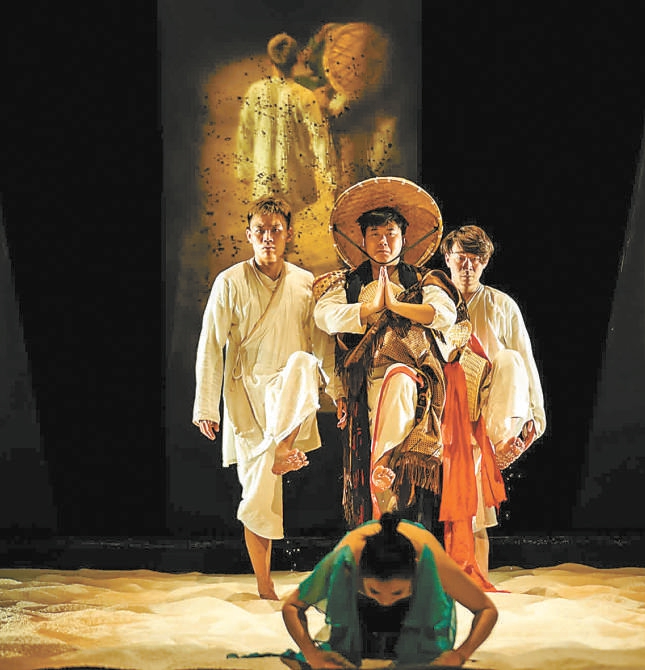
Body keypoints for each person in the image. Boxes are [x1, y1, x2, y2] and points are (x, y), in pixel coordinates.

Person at [193, 196, 331, 600]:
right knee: (258, 494)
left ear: (288, 235)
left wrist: (338, 396)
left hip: (289, 394)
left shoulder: (304, 282)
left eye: (276, 230)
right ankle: (265, 585)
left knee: (304, 362)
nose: (268, 237)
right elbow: (210, 343)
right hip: (246, 395)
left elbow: (321, 345)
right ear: (249, 235)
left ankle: (283, 448)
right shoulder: (230, 281)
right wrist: (206, 405)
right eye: (261, 231)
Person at [313, 177, 465, 533]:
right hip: (366, 381)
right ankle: (382, 510)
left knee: (398, 381)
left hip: (416, 378)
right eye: (375, 234)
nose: (383, 241)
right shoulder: (348, 283)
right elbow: (325, 317)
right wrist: (368, 309)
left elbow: (443, 314)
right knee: (381, 412)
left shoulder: (424, 279)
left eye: (391, 234)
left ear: (404, 238)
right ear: (363, 239)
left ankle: (384, 465)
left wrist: (396, 305)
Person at [441, 224, 547, 577]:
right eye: (461, 257)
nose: (468, 265)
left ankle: (500, 445)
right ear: (447, 258)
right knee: (466, 498)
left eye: (476, 258)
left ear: (485, 262)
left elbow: (525, 361)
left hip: (490, 408)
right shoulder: (434, 302)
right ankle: (465, 578)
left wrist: (535, 416)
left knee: (511, 359)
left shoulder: (502, 305)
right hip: (447, 404)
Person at [281, 512, 498, 668]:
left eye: (396, 593)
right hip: (362, 606)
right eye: (375, 591)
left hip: (413, 609)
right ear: (359, 573)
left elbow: (486, 610)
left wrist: (460, 655)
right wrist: (312, 655)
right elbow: (292, 606)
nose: (385, 601)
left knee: (421, 660)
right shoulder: (344, 559)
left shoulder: (430, 560)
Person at [235, 32, 337, 212]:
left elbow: (245, 132)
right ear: (297, 60)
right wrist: (330, 173)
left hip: (264, 172)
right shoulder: (304, 96)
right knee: (288, 219)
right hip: (294, 177)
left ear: (269, 61)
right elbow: (320, 136)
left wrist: (244, 168)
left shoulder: (255, 91)